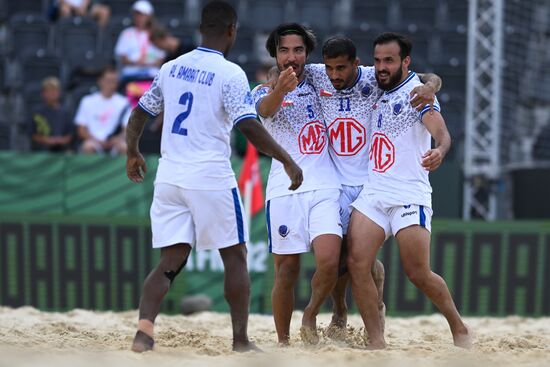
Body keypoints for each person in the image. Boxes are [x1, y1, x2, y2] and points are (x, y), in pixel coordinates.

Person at [125, 1, 302, 353]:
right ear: (232, 30)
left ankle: (144, 333)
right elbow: (249, 125)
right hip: (209, 177)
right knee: (234, 256)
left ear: (201, 28)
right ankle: (240, 341)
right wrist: (286, 159)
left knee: (170, 259)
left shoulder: (171, 67)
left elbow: (139, 113)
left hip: (170, 175)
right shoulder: (229, 73)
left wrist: (132, 152)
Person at [303, 36, 442, 340]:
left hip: (370, 181)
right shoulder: (318, 73)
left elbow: (422, 78)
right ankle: (339, 312)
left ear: (356, 64)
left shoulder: (374, 76)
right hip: (335, 181)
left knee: (359, 260)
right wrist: (275, 77)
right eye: (331, 69)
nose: (335, 74)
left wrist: (433, 85)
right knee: (336, 258)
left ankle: (374, 316)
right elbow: (285, 68)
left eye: (342, 68)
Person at [346, 32, 471, 349]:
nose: (381, 67)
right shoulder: (374, 84)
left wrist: (440, 150)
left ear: (405, 62)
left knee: (418, 273)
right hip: (374, 193)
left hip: (408, 194)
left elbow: (441, 132)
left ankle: (458, 327)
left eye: (388, 60)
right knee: (357, 263)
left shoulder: (418, 93)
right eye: (377, 60)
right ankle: (376, 340)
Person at [252, 23, 342, 346]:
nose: (292, 57)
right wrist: (279, 89)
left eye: (298, 50)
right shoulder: (264, 90)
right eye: (284, 50)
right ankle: (283, 343)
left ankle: (310, 314)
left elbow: (364, 72)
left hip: (325, 185)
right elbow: (264, 110)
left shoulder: (322, 75)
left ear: (308, 53)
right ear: (274, 54)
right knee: (286, 271)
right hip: (285, 189)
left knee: (330, 262)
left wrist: (431, 82)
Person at [75, 66, 130, 154]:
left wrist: (117, 139)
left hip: (115, 143)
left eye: (114, 81)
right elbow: (81, 129)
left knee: (125, 147)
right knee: (87, 147)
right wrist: (96, 141)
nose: (111, 84)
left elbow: (127, 129)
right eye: (108, 81)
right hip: (93, 141)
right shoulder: (87, 101)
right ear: (100, 81)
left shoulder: (124, 102)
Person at [114, 0, 165, 82]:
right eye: (137, 15)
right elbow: (122, 57)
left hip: (152, 76)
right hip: (131, 76)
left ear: (149, 17)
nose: (139, 18)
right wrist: (136, 62)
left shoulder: (156, 34)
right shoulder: (126, 33)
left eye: (142, 15)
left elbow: (160, 59)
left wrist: (146, 64)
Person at [29, 77, 74, 152]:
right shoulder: (37, 112)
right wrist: (47, 140)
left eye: (54, 90)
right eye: (48, 90)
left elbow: (70, 135)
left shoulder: (65, 113)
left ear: (59, 92)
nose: (52, 93)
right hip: (41, 151)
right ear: (43, 93)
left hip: (62, 151)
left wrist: (60, 141)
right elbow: (32, 134)